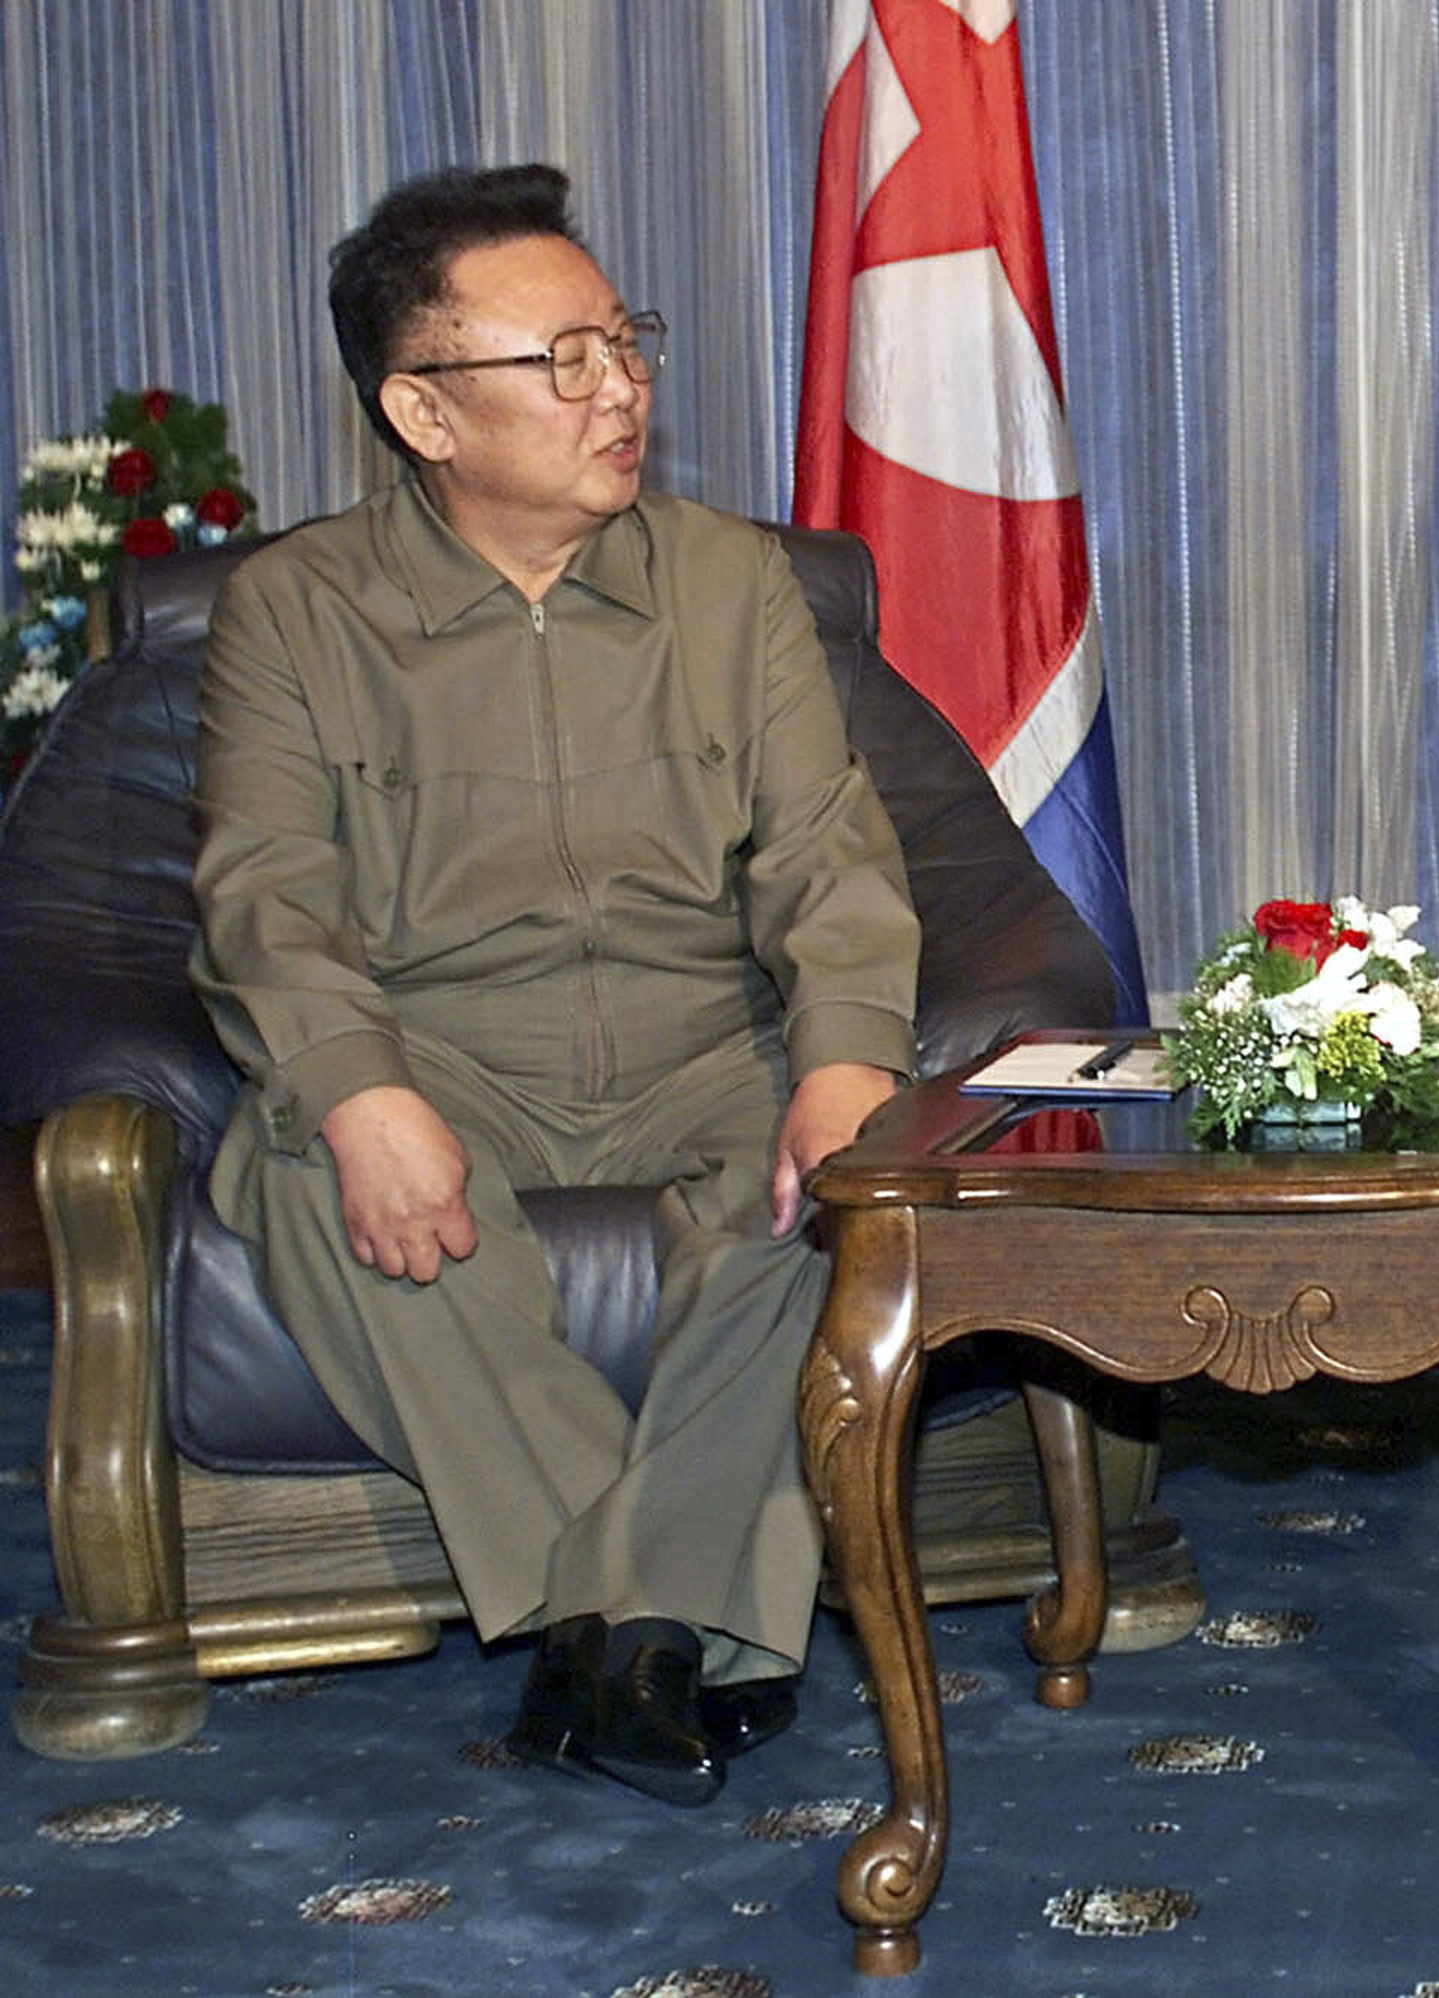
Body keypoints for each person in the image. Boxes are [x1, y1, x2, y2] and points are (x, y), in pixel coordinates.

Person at [189, 165, 921, 1806]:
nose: (622, 388)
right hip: (447, 1049)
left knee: (856, 1188)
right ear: (424, 412)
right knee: (303, 1156)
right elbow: (264, 895)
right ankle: (668, 1616)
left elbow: (828, 852)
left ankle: (605, 1640)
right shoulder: (297, 611)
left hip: (704, 1040)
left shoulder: (730, 582)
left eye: (625, 342)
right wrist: (361, 1089)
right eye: (565, 359)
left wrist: (844, 1058)